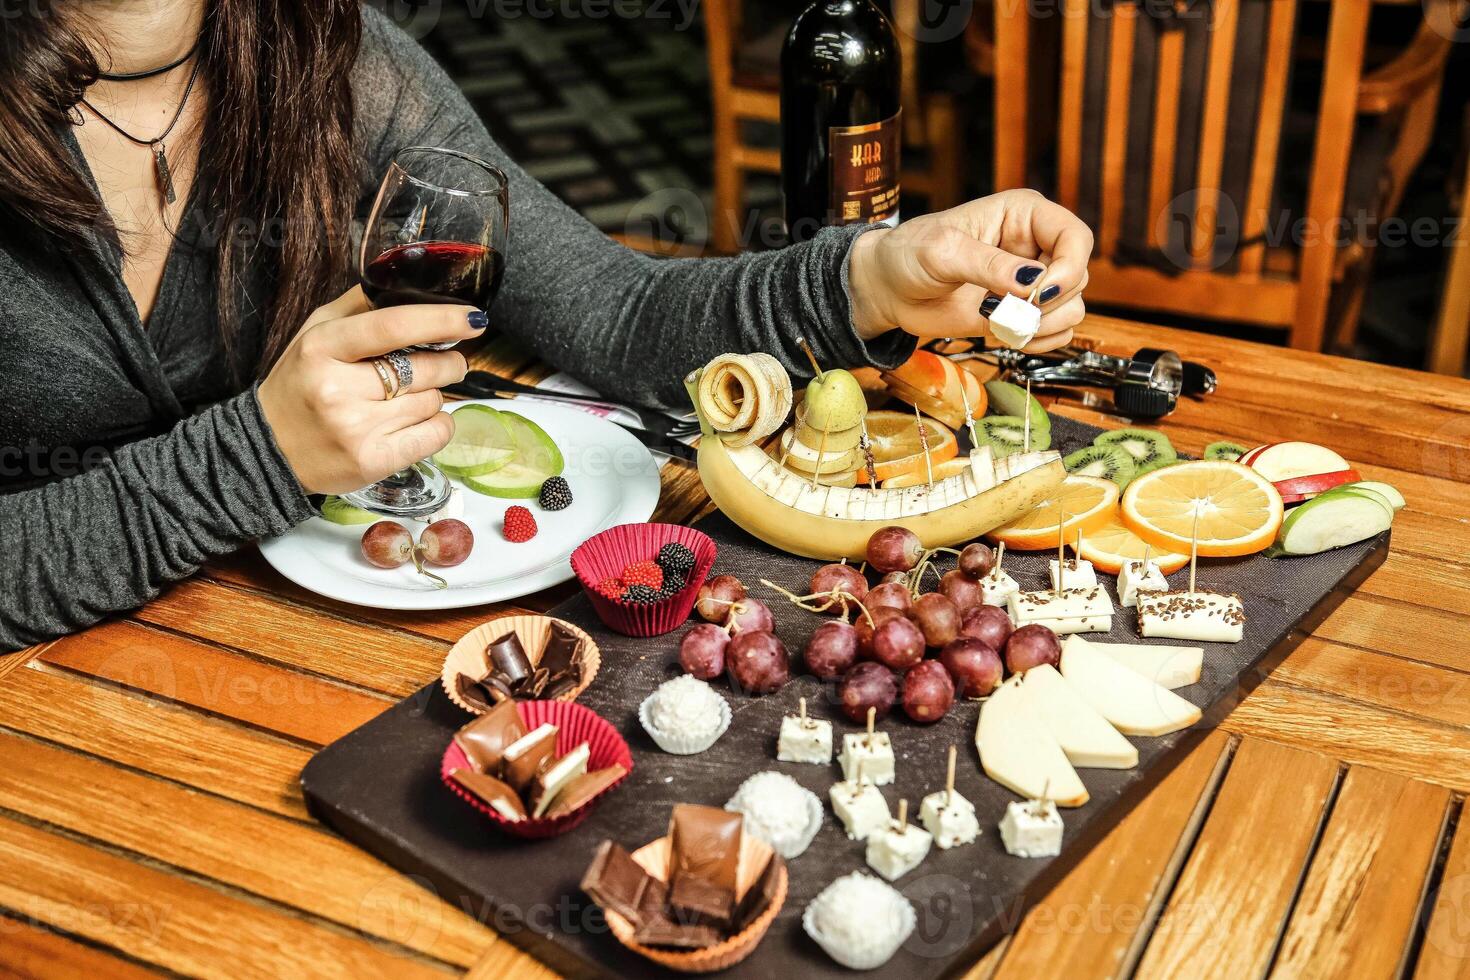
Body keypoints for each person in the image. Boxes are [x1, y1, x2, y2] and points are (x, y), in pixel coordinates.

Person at [0, 0, 1093, 651]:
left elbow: (615, 311)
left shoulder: (326, 51)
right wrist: (252, 456)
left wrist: (868, 277)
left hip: (293, 660)